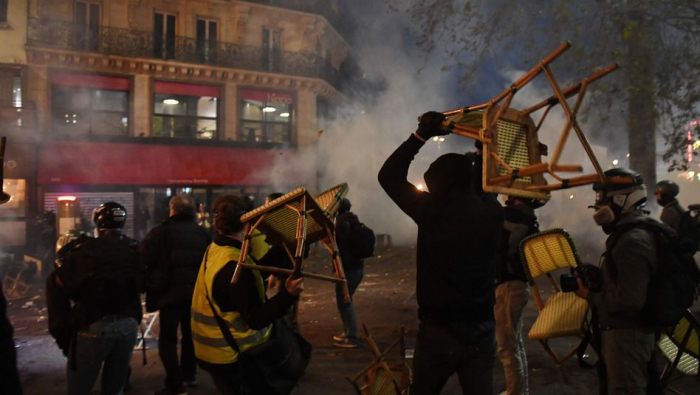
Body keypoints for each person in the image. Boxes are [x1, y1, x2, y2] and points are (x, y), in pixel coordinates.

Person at [378, 111, 504, 394]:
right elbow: (488, 183)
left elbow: (389, 175)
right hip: (481, 330)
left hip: (438, 330)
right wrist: (485, 147)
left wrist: (420, 135)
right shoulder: (492, 212)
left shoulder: (430, 210)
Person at [190, 194, 304, 394]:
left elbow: (251, 278)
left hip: (213, 349)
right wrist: (287, 294)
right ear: (248, 223)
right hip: (230, 355)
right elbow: (255, 318)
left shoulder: (218, 249)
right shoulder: (235, 267)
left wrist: (280, 249)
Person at [575, 168, 660, 394]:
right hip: (627, 335)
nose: (599, 205)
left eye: (603, 198)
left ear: (623, 199)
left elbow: (630, 300)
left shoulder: (632, 240)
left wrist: (590, 296)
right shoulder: (632, 233)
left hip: (627, 337)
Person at [47, 202, 143, 395]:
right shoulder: (135, 249)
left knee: (79, 389)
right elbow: (146, 283)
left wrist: (67, 343)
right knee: (115, 389)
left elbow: (59, 293)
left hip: (92, 325)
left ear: (97, 223)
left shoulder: (83, 252)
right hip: (128, 327)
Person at [140, 195, 211, 395]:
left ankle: (175, 383)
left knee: (168, 339)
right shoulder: (202, 234)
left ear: (172, 211)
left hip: (169, 295)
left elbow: (142, 258)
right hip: (195, 295)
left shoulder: (159, 233)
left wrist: (148, 283)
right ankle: (189, 375)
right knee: (190, 336)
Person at [494, 196, 545, 395]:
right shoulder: (528, 219)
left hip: (508, 287)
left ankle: (515, 391)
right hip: (517, 286)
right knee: (515, 342)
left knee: (507, 346)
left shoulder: (510, 217)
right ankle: (519, 390)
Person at [332, 198, 365, 349]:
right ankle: (347, 332)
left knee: (345, 301)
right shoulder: (353, 221)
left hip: (347, 269)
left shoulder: (341, 224)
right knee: (344, 300)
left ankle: (351, 337)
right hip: (356, 267)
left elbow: (337, 243)